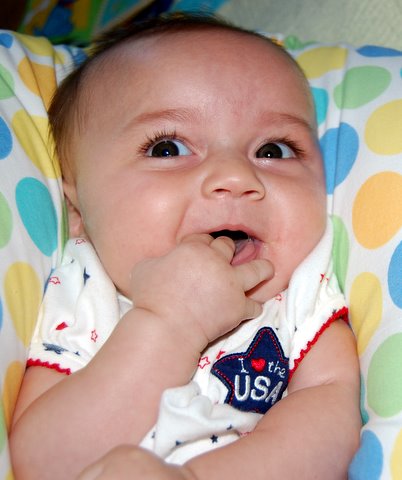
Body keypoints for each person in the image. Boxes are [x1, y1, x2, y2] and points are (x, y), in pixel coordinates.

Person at [9, 13, 361, 480]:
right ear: (78, 211)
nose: (235, 176)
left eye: (273, 150)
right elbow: (43, 461)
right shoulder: (85, 296)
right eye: (168, 149)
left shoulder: (301, 298)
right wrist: (170, 323)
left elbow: (330, 417)